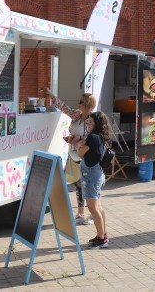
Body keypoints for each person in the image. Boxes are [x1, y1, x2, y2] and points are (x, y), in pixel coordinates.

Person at [49, 91, 96, 225]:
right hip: (74, 154)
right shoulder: (77, 115)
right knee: (78, 184)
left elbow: (94, 139)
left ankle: (92, 212)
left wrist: (77, 139)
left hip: (85, 156)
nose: (79, 104)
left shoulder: (92, 120)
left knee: (85, 184)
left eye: (81, 102)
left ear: (88, 104)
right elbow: (64, 108)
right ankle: (82, 213)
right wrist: (51, 95)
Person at [77, 112, 113, 248]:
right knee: (98, 206)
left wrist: (79, 145)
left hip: (91, 175)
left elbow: (80, 153)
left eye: (90, 122)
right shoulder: (100, 137)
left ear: (97, 123)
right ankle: (102, 234)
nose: (88, 124)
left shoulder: (92, 137)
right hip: (96, 173)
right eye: (87, 122)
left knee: (93, 208)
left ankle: (102, 238)